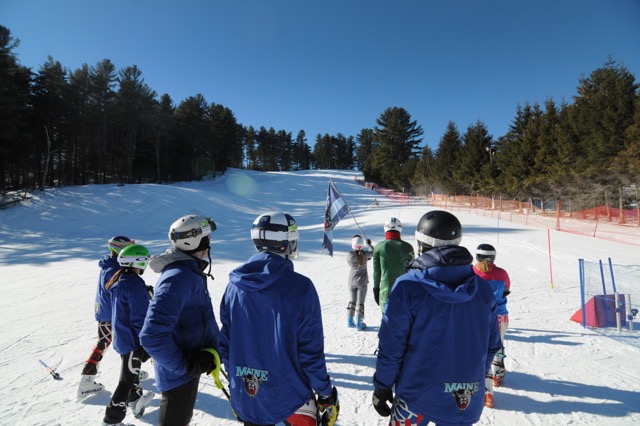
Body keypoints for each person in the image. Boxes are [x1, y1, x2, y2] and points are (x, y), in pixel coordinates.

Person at [372, 210, 502, 426]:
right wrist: (470, 377)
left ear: (422, 244)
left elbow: (392, 345)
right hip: (464, 400)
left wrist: (383, 384)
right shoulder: (482, 290)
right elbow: (491, 346)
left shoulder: (408, 287)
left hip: (416, 398)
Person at [218, 212, 340, 426]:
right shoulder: (300, 287)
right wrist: (325, 392)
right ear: (286, 241)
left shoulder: (234, 286)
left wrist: (240, 386)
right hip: (289, 402)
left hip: (249, 400)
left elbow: (225, 345)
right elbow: (310, 351)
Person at [139, 215, 220, 426]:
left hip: (190, 363)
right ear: (197, 241)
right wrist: (185, 366)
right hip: (179, 372)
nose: (210, 243)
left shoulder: (189, 272)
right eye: (207, 238)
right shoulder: (178, 277)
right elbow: (151, 336)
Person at [102, 244, 155, 425]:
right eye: (145, 261)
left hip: (122, 338)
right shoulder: (134, 284)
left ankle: (135, 401)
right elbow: (139, 318)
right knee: (125, 382)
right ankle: (111, 421)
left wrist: (144, 293)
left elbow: (125, 308)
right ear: (137, 262)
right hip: (133, 342)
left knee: (131, 375)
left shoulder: (120, 279)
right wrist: (144, 342)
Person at [78, 235, 136, 399]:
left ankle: (88, 380)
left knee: (106, 343)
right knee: (124, 344)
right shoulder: (114, 268)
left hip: (105, 312)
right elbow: (120, 290)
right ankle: (131, 381)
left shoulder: (111, 264)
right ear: (120, 249)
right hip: (111, 314)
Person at [473, 243, 511, 408]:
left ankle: (487, 392)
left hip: (478, 318)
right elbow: (507, 289)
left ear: (477, 257)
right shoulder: (502, 273)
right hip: (500, 316)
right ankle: (498, 373)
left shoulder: (472, 272)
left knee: (483, 352)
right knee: (497, 346)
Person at [372, 217, 415, 312]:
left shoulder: (379, 247)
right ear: (400, 229)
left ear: (385, 229)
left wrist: (376, 289)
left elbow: (376, 273)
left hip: (385, 289)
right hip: (404, 289)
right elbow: (413, 272)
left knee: (386, 318)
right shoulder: (408, 247)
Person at [347, 234, 374, 330]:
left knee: (352, 300)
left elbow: (351, 262)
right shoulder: (365, 255)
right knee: (360, 302)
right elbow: (373, 252)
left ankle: (349, 320)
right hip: (362, 282)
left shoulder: (350, 255)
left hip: (351, 281)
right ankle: (359, 322)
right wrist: (369, 244)